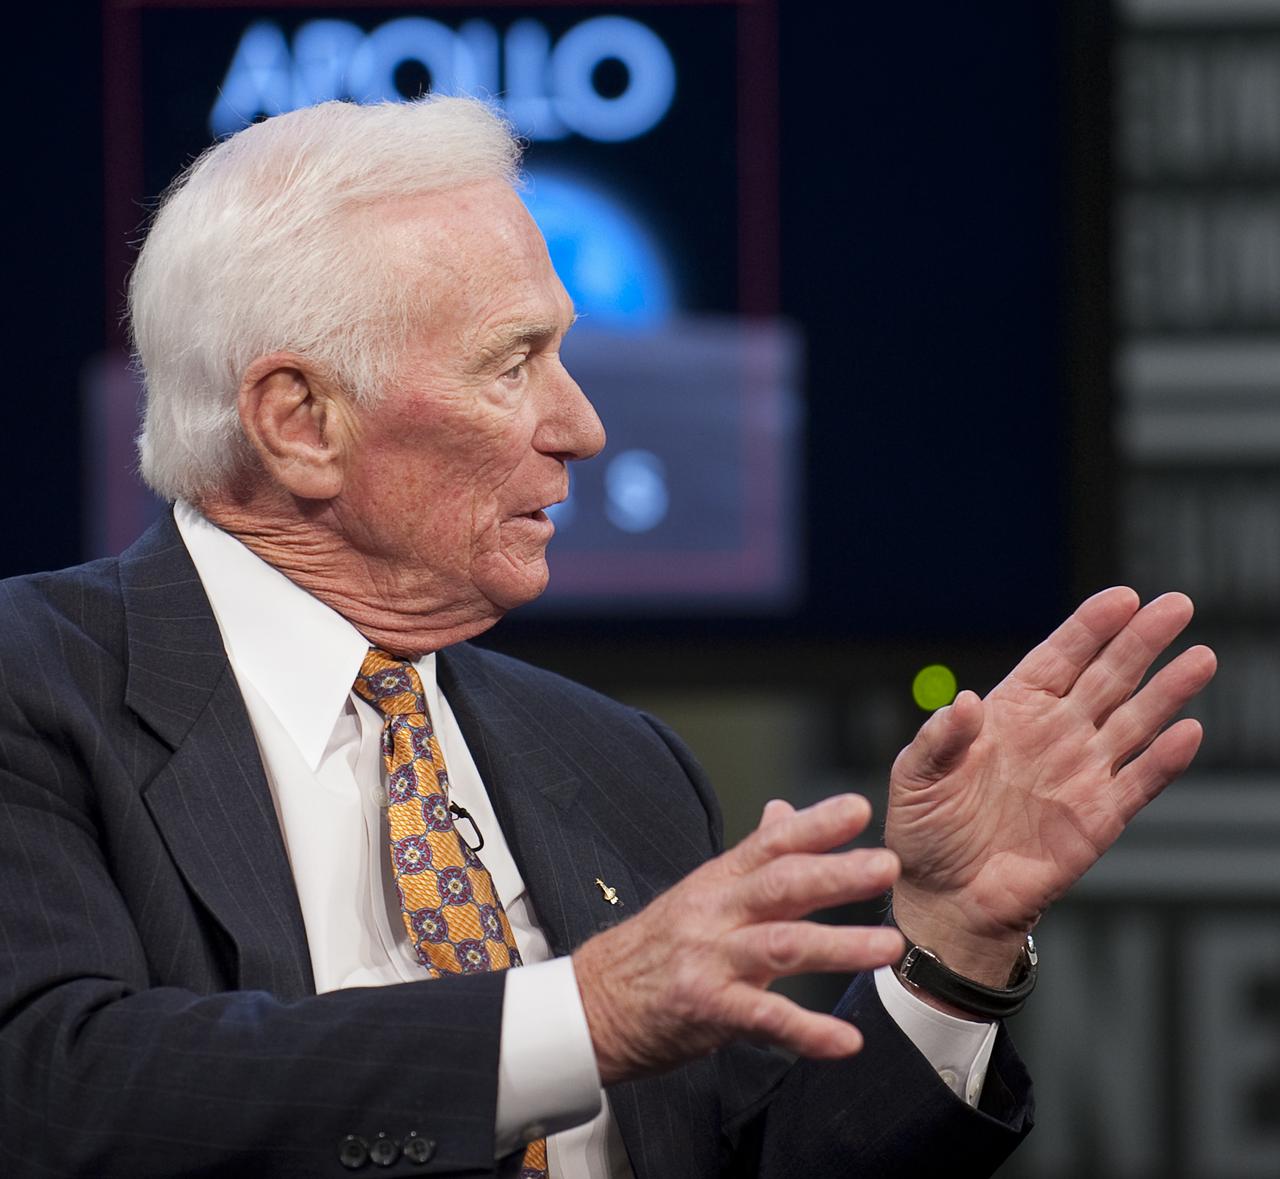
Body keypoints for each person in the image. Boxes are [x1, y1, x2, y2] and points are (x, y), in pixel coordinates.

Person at [0, 97, 1216, 1179]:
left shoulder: (618, 764)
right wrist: (578, 1017)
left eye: (561, 352)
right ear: (299, 420)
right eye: (513, 363)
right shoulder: (34, 682)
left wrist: (949, 942)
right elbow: (52, 1085)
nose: (578, 425)